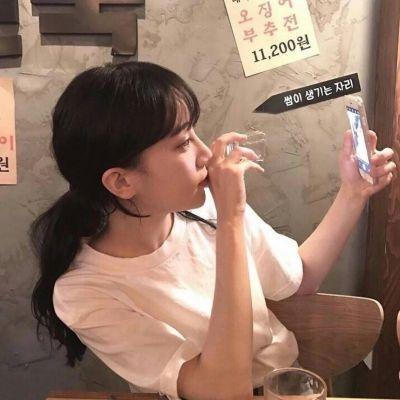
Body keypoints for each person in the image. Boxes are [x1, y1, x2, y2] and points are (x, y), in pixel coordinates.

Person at [30, 61, 396, 400]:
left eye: (194, 132)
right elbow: (224, 391)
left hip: (284, 386)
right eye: (183, 143)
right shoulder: (83, 292)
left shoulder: (205, 210)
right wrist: (231, 218)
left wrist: (353, 192)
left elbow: (298, 279)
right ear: (122, 182)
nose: (206, 155)